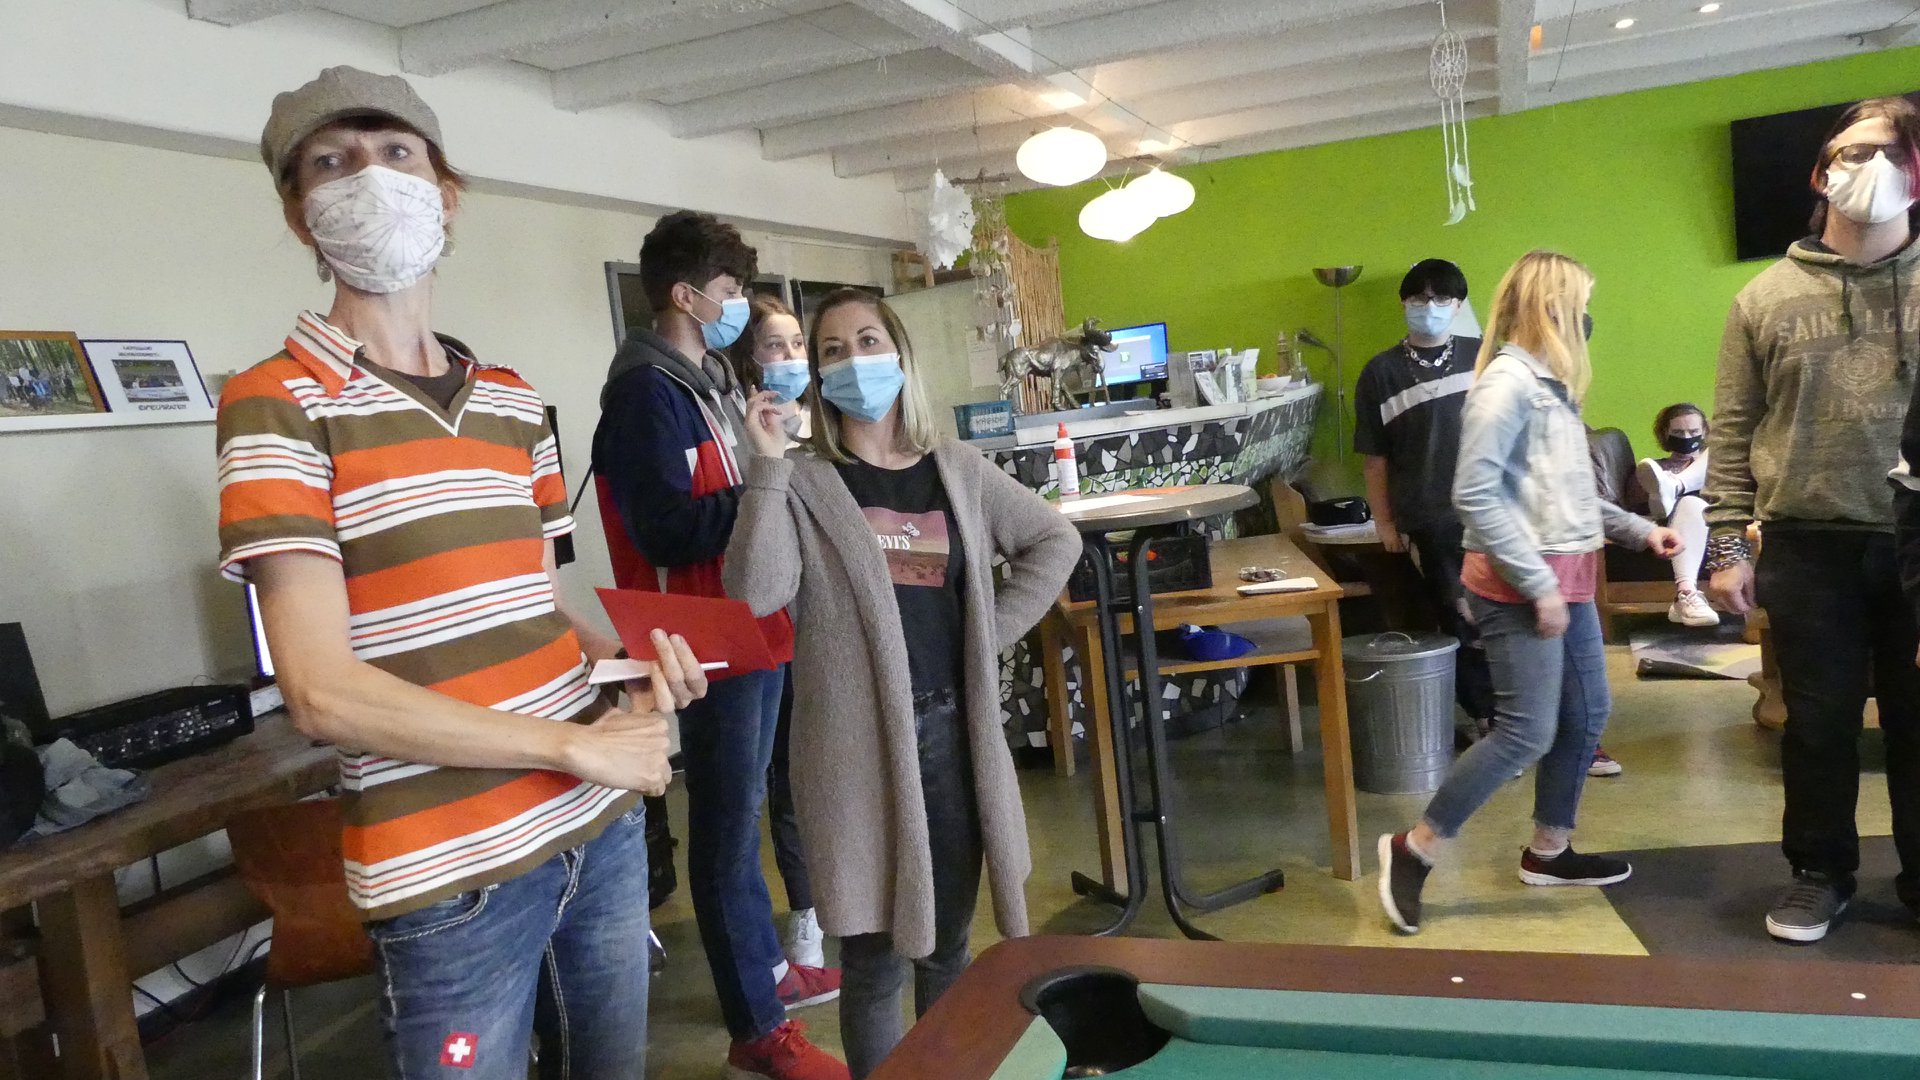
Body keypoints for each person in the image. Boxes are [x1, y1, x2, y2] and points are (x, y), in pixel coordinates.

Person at [218, 66, 707, 1080]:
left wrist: (629, 668)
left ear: (445, 194)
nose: (369, 175)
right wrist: (572, 749)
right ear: (300, 214)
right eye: (331, 162)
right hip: (452, 879)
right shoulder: (276, 404)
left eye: (396, 152)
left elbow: (541, 612)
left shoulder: (513, 402)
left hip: (599, 831)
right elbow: (320, 692)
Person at [725, 288, 1081, 1078]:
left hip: (950, 738)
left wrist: (986, 634)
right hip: (853, 753)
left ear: (900, 353)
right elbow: (754, 592)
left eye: (868, 340)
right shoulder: (805, 482)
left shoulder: (957, 469)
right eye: (832, 350)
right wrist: (767, 468)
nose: (854, 360)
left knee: (948, 949)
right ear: (817, 374)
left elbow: (1054, 540)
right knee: (874, 958)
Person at [590, 212, 844, 1080]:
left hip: (748, 625)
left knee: (751, 813)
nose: (738, 305)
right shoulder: (644, 394)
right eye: (729, 291)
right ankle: (756, 1029)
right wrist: (768, 493)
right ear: (684, 295)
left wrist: (767, 478)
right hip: (703, 640)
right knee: (727, 830)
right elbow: (664, 527)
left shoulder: (702, 380)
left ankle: (769, 973)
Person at [1377, 251, 1681, 935]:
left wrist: (1639, 530)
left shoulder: (1551, 387)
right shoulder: (1505, 386)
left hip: (1563, 579)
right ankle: (1414, 848)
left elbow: (1567, 495)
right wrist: (1538, 584)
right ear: (1550, 308)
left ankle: (1549, 851)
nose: (1586, 320)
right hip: (1520, 586)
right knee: (1524, 732)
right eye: (1579, 306)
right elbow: (1474, 495)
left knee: (1587, 713)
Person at [1703, 96, 1920, 945]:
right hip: (1806, 542)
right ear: (1821, 172)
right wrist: (1726, 546)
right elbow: (1732, 429)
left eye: (1891, 152)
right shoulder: (1763, 297)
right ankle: (1819, 875)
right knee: (1819, 727)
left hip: (1914, 543)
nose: (1870, 167)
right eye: (1853, 151)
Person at [1353, 259, 1496, 747]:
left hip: (1496, 511)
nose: (1429, 307)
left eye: (1441, 299)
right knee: (1461, 616)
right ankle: (1486, 718)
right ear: (1404, 303)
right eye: (1419, 298)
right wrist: (1384, 523)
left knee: (1510, 617)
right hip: (1430, 519)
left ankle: (1525, 716)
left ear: (1458, 306)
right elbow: (1375, 459)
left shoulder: (1485, 357)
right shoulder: (1381, 372)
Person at [725, 293, 822, 968]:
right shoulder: (742, 433)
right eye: (773, 346)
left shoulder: (827, 424)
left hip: (827, 624)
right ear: (750, 359)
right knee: (785, 780)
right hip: (771, 629)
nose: (789, 357)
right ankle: (806, 917)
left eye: (797, 345)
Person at [1632, 403, 1718, 627]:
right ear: (1665, 434)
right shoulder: (1652, 469)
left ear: (1704, 432)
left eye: (1693, 431)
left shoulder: (1718, 467)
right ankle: (1687, 593)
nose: (1687, 438)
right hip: (1669, 528)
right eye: (1678, 433)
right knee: (1690, 503)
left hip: (1712, 529)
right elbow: (1636, 508)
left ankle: (1675, 486)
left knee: (1720, 452)